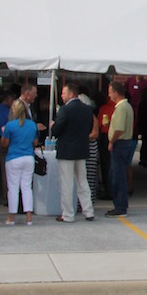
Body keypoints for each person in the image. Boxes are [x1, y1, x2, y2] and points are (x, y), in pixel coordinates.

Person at [51, 82, 96, 222]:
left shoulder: (65, 110)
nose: (62, 96)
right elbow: (89, 127)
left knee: (66, 183)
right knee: (82, 181)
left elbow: (56, 131)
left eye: (63, 93)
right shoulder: (87, 109)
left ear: (71, 94)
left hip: (66, 150)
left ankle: (68, 214)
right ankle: (88, 211)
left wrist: (53, 126)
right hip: (81, 149)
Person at [0, 98, 38, 226]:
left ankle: (11, 217)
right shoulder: (32, 124)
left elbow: (4, 144)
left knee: (13, 188)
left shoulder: (10, 125)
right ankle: (29, 217)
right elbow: (35, 142)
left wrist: (4, 133)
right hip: (28, 157)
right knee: (27, 187)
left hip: (14, 157)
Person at [105, 81, 136, 218]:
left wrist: (111, 141)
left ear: (116, 93)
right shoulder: (126, 106)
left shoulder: (121, 108)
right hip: (125, 143)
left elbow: (119, 128)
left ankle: (120, 206)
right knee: (119, 173)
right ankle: (120, 204)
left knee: (118, 176)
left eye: (110, 92)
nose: (109, 95)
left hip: (120, 143)